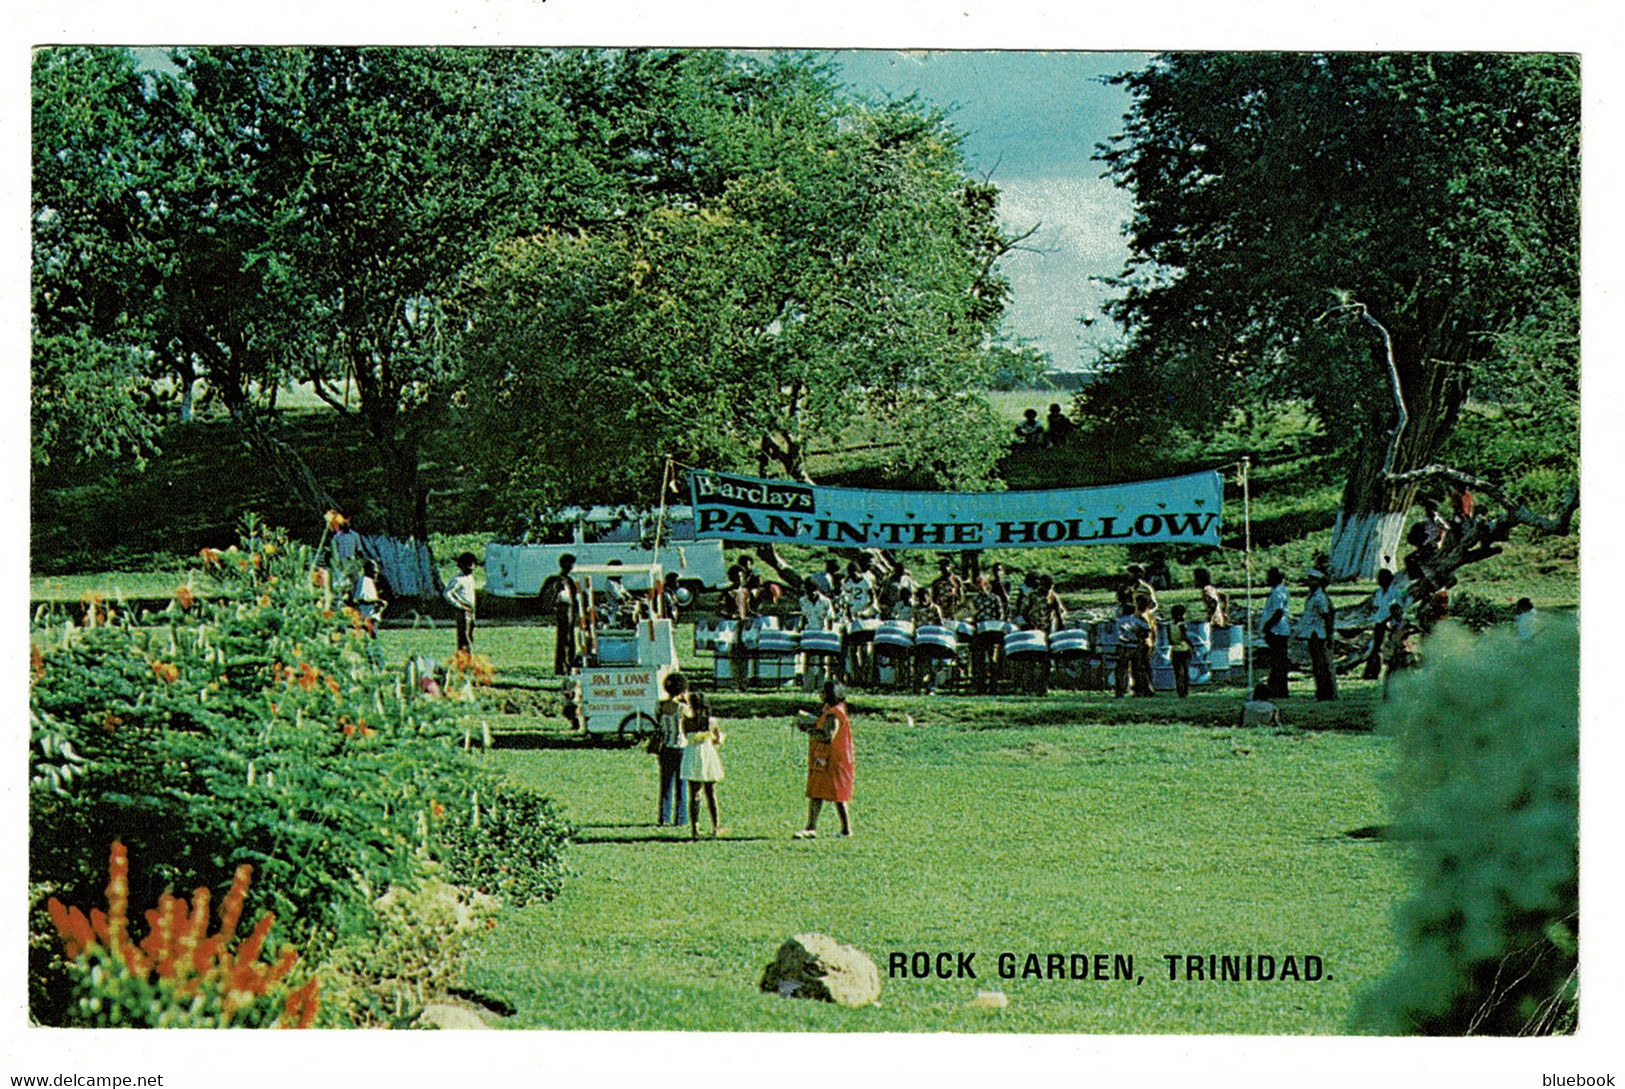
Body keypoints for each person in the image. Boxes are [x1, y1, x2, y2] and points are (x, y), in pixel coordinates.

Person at [794, 681, 854, 839]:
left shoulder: (834, 713)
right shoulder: (832, 710)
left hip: (833, 759)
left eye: (823, 691)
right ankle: (814, 827)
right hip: (824, 757)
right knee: (817, 791)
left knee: (837, 793)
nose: (820, 693)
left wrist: (807, 729)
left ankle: (841, 829)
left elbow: (828, 736)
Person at [682, 691, 727, 839]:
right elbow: (716, 739)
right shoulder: (711, 721)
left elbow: (685, 735)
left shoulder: (686, 721)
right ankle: (716, 826)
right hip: (707, 754)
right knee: (711, 793)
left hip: (692, 755)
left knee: (694, 794)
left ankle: (695, 828)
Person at [653, 672, 690, 828]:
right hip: (681, 747)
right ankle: (680, 818)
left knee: (665, 784)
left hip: (665, 748)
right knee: (681, 784)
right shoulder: (682, 708)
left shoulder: (660, 705)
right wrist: (687, 700)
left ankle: (663, 817)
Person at [1297, 569, 1336, 701]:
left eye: (1311, 579)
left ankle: (1324, 693)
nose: (1309, 582)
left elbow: (1327, 617)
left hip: (1317, 634)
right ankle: (1321, 691)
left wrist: (1329, 635)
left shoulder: (1319, 597)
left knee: (1320, 665)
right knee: (1317, 665)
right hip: (1311, 633)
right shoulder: (1312, 595)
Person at [1361, 568, 1401, 679]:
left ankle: (1376, 672)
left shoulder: (1394, 592)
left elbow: (1396, 609)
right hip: (1379, 623)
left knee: (1383, 649)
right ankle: (1371, 671)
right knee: (1375, 647)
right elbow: (1375, 607)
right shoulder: (1378, 593)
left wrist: (1390, 622)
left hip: (1388, 624)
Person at [547, 554, 582, 675]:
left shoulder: (568, 579)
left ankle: (568, 665)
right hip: (565, 609)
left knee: (569, 638)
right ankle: (562, 667)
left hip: (569, 609)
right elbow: (562, 596)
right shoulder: (561, 580)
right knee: (564, 638)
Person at [1262, 566, 1291, 698]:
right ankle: (1277, 688)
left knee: (1278, 661)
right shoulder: (1277, 591)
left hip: (1277, 631)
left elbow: (1278, 612)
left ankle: (1278, 689)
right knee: (1277, 661)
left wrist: (1267, 626)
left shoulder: (1278, 592)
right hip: (1277, 630)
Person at [444, 551, 477, 653]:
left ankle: (467, 658)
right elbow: (447, 593)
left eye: (473, 565)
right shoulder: (458, 580)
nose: (472, 568)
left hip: (471, 610)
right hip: (463, 611)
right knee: (464, 637)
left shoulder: (470, 578)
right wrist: (459, 605)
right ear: (462, 566)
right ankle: (464, 660)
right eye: (469, 565)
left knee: (470, 635)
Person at [1130, 592, 1157, 697]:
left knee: (1139, 667)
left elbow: (1146, 631)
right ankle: (1143, 687)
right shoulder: (1149, 615)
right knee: (1145, 666)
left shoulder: (1140, 616)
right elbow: (1154, 631)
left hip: (1141, 643)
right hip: (1148, 643)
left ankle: (1144, 688)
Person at [1168, 603, 1193, 698]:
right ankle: (1185, 691)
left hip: (1174, 650)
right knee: (1185, 671)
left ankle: (1179, 690)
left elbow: (1170, 640)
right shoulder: (1182, 625)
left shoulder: (1169, 625)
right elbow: (1185, 637)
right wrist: (1192, 646)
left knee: (1177, 672)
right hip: (1183, 649)